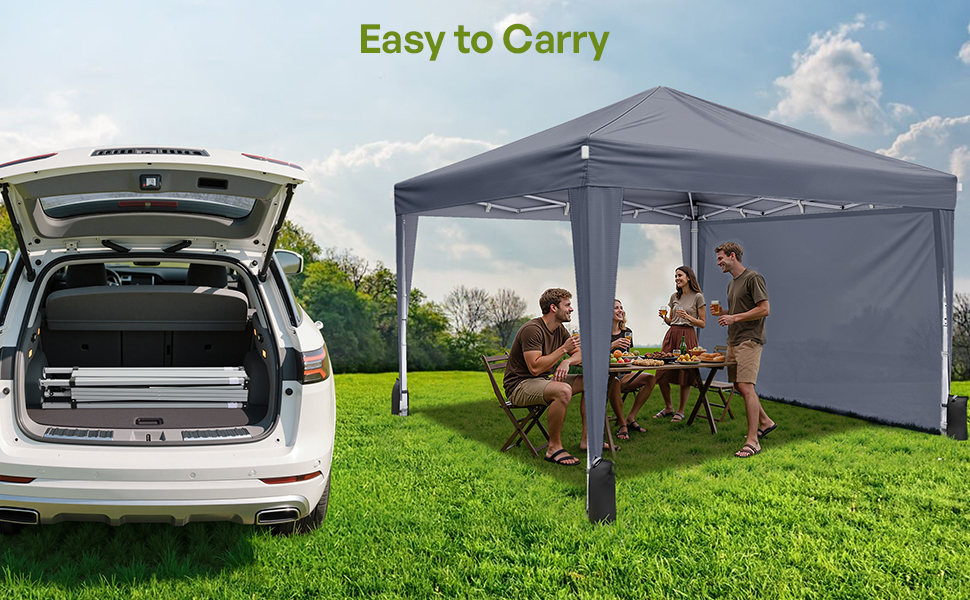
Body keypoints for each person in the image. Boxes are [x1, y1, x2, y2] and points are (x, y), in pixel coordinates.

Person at [504, 288, 584, 466]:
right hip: (520, 385)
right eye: (568, 305)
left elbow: (579, 353)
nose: (571, 309)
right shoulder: (532, 329)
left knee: (591, 383)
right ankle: (553, 448)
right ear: (554, 308)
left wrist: (567, 362)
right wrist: (563, 350)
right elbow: (534, 367)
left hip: (543, 381)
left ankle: (586, 440)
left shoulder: (559, 329)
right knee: (563, 390)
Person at [714, 242, 776, 458]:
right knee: (738, 385)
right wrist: (725, 312)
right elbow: (740, 309)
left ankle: (753, 441)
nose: (718, 262)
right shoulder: (731, 284)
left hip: (750, 339)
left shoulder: (753, 278)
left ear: (733, 256)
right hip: (734, 338)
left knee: (747, 386)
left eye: (721, 258)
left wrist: (734, 317)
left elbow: (764, 309)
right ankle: (766, 422)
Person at [646, 266, 706, 423]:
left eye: (679, 275)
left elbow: (702, 323)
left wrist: (688, 317)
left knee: (684, 374)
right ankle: (668, 407)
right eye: (675, 276)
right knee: (661, 372)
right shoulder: (674, 297)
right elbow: (671, 321)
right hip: (672, 334)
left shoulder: (698, 297)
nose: (677, 278)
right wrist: (664, 318)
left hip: (688, 335)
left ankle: (680, 411)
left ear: (688, 277)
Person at [607, 299, 655, 439]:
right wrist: (612, 344)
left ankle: (631, 418)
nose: (620, 310)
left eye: (621, 307)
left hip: (624, 374)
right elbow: (594, 353)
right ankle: (622, 424)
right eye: (616, 308)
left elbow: (628, 356)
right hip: (607, 377)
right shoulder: (601, 332)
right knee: (614, 381)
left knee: (650, 378)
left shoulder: (627, 332)